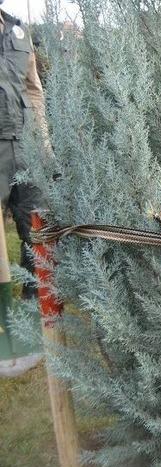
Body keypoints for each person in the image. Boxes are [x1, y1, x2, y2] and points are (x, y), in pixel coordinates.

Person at [0, 7, 43, 299]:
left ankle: (33, 308)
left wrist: (43, 144)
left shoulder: (18, 30)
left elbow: (34, 90)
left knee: (35, 225)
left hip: (26, 144)